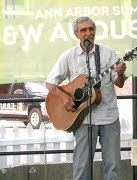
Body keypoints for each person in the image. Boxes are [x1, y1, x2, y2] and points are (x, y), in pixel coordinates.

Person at [45, 16, 127, 180]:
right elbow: (50, 84)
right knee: (81, 169)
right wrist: (64, 98)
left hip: (109, 117)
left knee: (113, 167)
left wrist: (120, 73)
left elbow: (119, 84)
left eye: (91, 29)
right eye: (83, 30)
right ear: (76, 34)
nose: (88, 33)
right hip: (82, 119)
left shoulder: (108, 53)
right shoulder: (69, 56)